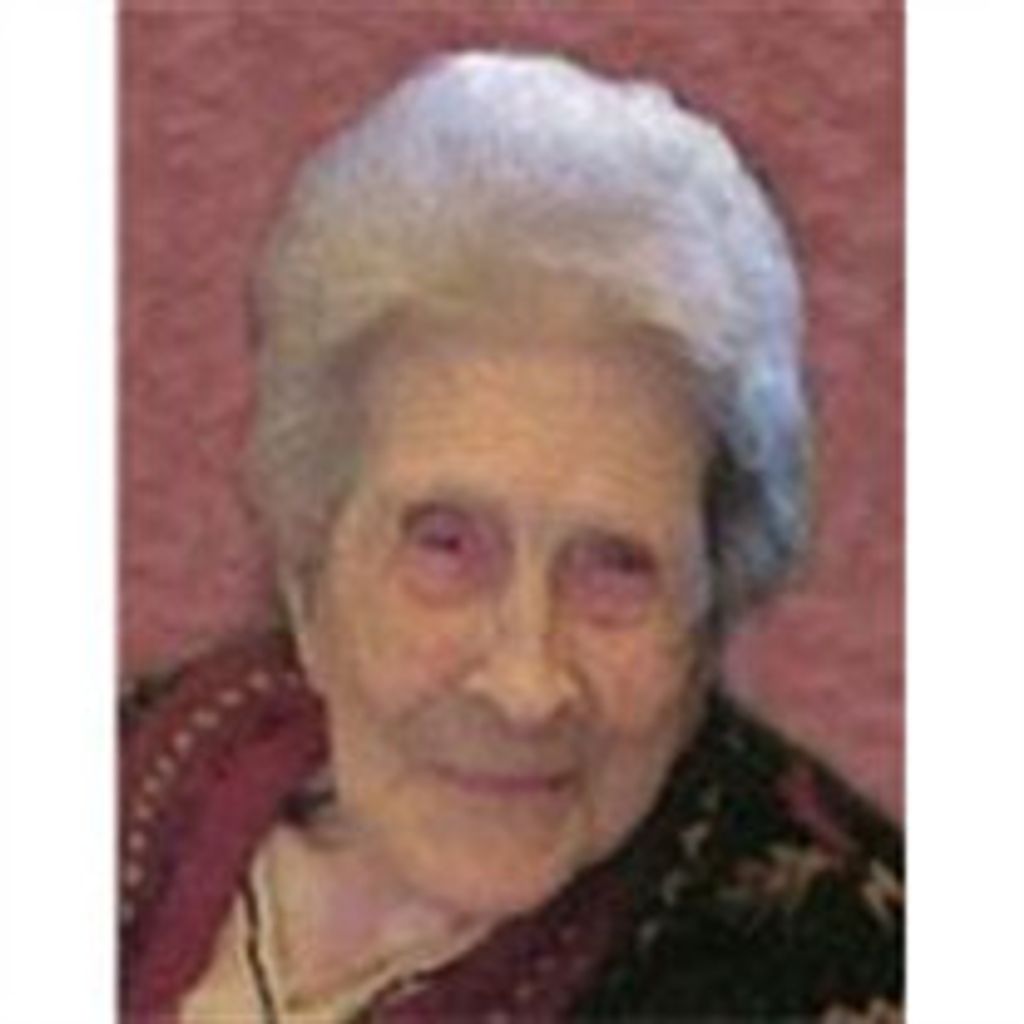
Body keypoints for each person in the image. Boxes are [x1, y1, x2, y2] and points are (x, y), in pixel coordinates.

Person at [120, 50, 903, 1023]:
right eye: (445, 545)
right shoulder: (145, 764)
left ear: (710, 611)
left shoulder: (846, 966)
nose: (525, 686)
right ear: (308, 572)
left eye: (618, 569)